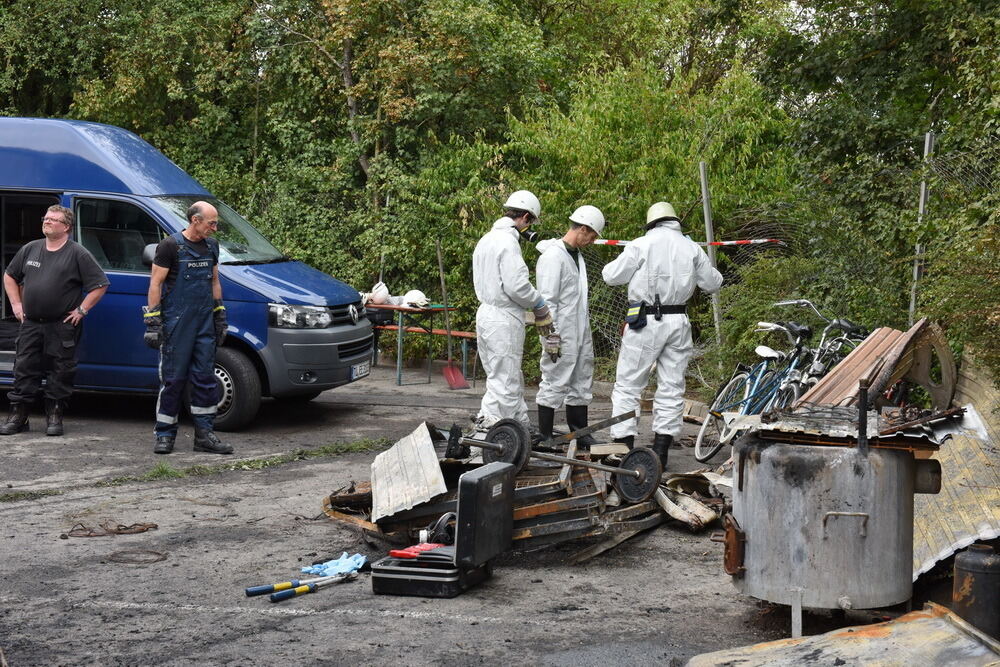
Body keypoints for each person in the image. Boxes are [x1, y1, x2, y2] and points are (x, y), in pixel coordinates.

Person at [602, 201, 723, 469]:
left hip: (644, 321)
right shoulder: (691, 248)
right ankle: (661, 452)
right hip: (678, 320)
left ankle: (624, 450)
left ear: (651, 222)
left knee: (629, 385)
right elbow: (713, 283)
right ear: (675, 221)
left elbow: (611, 276)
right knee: (671, 386)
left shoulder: (641, 244)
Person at [1, 205, 109, 436]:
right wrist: (16, 304)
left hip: (62, 325)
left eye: (53, 219)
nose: (47, 222)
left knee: (60, 371)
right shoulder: (30, 249)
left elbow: (100, 285)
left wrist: (82, 310)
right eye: (46, 218)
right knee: (24, 368)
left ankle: (54, 416)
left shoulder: (77, 253)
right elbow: (10, 276)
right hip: (30, 323)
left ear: (66, 226)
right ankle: (19, 417)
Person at [144, 201, 231, 455]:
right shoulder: (169, 246)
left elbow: (214, 281)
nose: (214, 228)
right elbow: (155, 284)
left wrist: (220, 315)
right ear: (195, 220)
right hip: (176, 324)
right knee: (173, 380)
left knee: (205, 380)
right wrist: (153, 321)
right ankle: (165, 434)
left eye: (216, 223)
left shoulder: (212, 246)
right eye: (211, 223)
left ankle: (204, 436)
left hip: (204, 323)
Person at [472, 190, 559, 430]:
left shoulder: (487, 239)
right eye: (529, 221)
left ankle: (518, 424)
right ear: (525, 218)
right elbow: (516, 285)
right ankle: (495, 431)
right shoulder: (508, 242)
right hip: (503, 317)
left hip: (486, 314)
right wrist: (538, 303)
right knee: (505, 379)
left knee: (502, 374)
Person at [534, 205, 604, 447]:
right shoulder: (554, 257)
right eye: (592, 236)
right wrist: (550, 338)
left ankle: (579, 432)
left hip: (579, 327)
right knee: (554, 376)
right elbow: (546, 300)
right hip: (560, 329)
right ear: (583, 229)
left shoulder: (577, 256)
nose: (592, 241)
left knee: (582, 375)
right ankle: (544, 434)